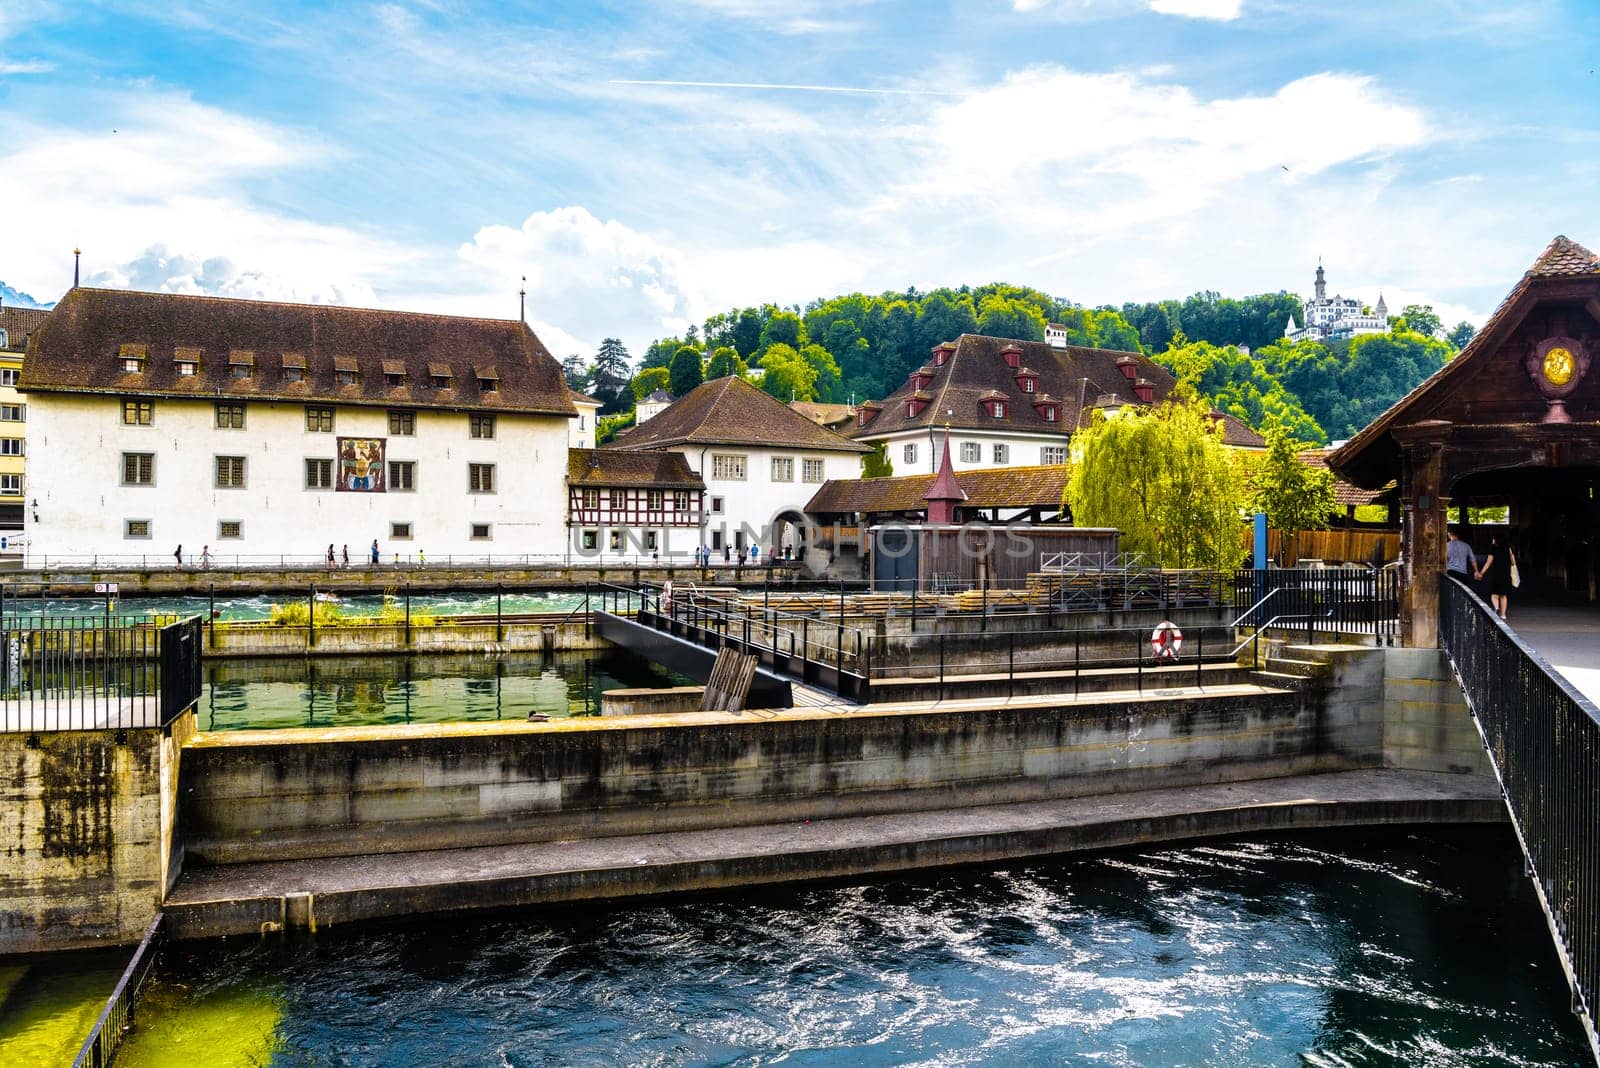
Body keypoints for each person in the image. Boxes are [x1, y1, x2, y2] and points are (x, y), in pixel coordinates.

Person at [1476, 534, 1516, 619]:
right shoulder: (1508, 549)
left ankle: (1496, 607)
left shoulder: (1493, 549)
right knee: (1503, 595)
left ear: (1496, 540)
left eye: (1493, 539)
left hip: (1496, 574)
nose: (1492, 540)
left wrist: (1481, 572)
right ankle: (1503, 615)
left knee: (1494, 595)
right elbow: (1513, 563)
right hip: (1506, 575)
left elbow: (1489, 562)